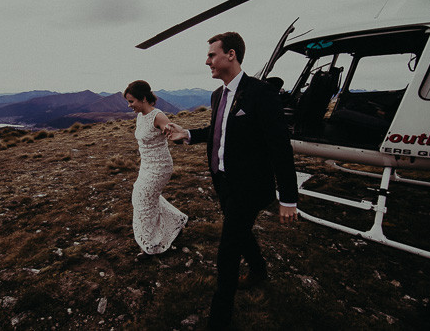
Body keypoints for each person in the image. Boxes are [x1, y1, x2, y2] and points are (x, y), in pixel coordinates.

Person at [165, 32, 299, 329]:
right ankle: (259, 270)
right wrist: (186, 134)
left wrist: (288, 198)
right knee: (239, 231)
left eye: (212, 55)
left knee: (227, 252)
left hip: (250, 187)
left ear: (231, 55)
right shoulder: (218, 95)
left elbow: (280, 147)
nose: (207, 61)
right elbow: (218, 131)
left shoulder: (262, 94)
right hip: (223, 181)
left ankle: (220, 318)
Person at [124, 80, 188, 260]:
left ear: (143, 98)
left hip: (160, 167)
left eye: (132, 101)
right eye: (128, 102)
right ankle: (176, 222)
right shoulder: (140, 115)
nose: (129, 106)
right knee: (147, 199)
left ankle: (151, 246)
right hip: (146, 165)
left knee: (142, 201)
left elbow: (175, 136)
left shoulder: (158, 116)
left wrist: (175, 133)